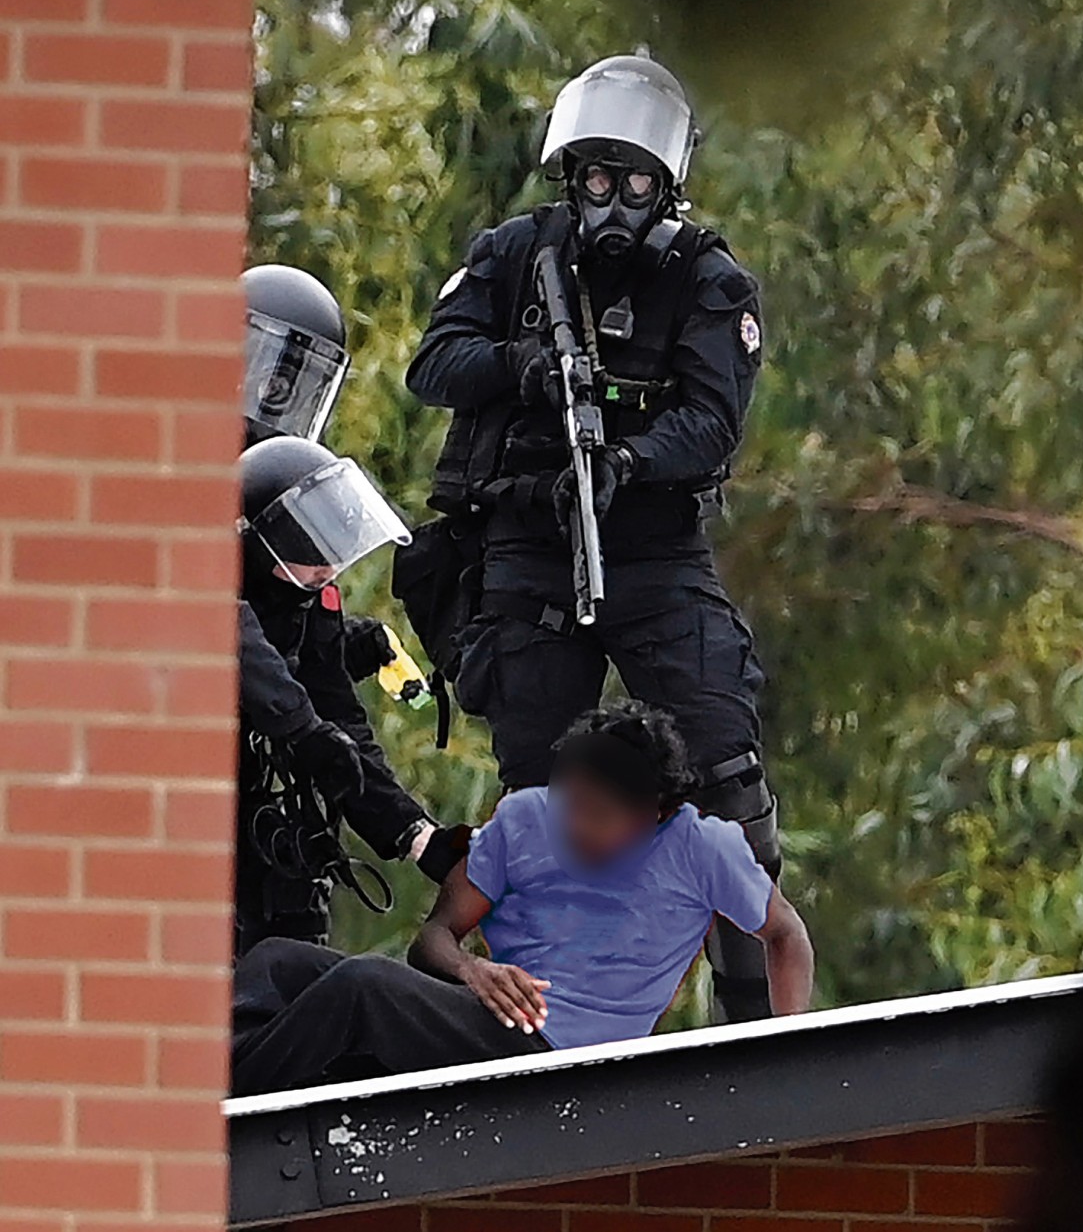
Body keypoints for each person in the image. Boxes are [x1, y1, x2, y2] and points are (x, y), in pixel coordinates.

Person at [404, 54, 777, 1021]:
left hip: (651, 548)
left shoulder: (708, 280)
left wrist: (626, 460)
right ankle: (525, 1015)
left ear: (669, 187)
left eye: (636, 183)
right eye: (597, 181)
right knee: (540, 803)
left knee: (728, 777)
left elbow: (711, 421)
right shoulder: (515, 253)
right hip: (528, 542)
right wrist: (526, 366)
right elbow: (432, 364)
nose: (613, 203)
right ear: (573, 180)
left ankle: (749, 1030)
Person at [230, 701, 813, 1096]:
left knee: (361, 987)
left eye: (599, 815)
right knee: (277, 961)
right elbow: (431, 941)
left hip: (569, 1056)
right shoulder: (524, 818)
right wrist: (471, 969)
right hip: (491, 1020)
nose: (576, 825)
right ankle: (215, 1071)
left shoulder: (702, 847)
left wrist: (788, 1048)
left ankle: (212, 1103)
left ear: (653, 813)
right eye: (572, 803)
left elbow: (785, 934)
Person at [236, 435, 469, 957]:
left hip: (268, 830)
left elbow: (341, 718)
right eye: (311, 555)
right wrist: (303, 730)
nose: (327, 571)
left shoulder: (313, 596)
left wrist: (415, 834)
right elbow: (243, 649)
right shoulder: (209, 581)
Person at [242, 262, 396, 686]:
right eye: (266, 367)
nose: (275, 390)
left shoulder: (292, 481)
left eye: (298, 377)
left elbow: (287, 639)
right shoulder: (178, 466)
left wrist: (343, 647)